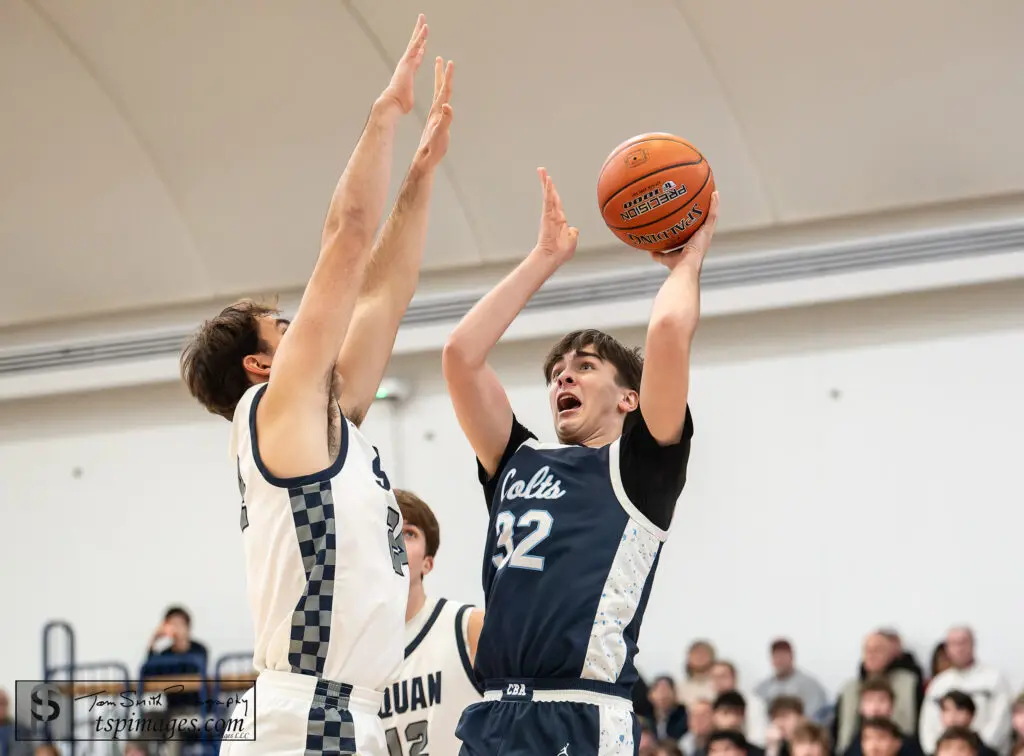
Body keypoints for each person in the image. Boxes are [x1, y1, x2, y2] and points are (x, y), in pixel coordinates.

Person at [179, 15, 454, 755]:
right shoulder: (278, 409)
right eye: (283, 325)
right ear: (261, 366)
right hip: (305, 715)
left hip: (342, 713)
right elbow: (348, 235)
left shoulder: (331, 424)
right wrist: (383, 118)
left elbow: (382, 295)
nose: (302, 324)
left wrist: (423, 178)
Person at [442, 168, 719, 754]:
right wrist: (543, 257)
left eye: (586, 365)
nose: (564, 374)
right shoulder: (517, 459)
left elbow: (668, 328)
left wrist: (687, 262)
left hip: (579, 713)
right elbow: (461, 356)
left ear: (629, 399)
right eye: (556, 372)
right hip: (490, 712)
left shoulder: (641, 467)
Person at [379, 489, 484, 755]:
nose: (396, 542)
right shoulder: (350, 654)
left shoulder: (468, 627)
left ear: (428, 563)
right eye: (386, 528)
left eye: (409, 533)